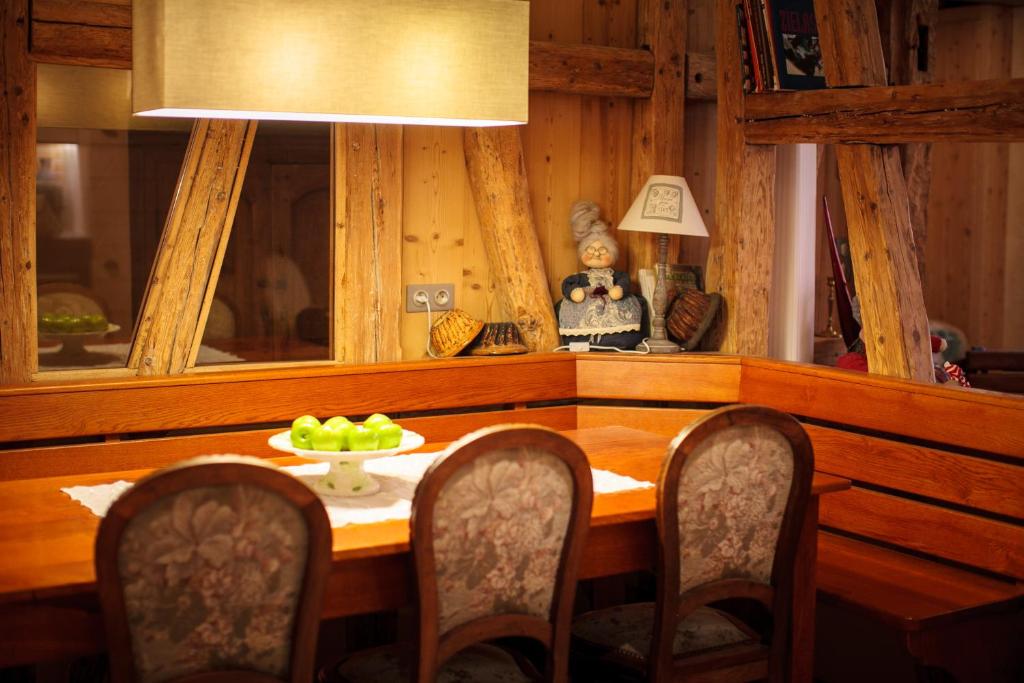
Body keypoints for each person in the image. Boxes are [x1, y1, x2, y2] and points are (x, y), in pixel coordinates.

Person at [556, 201, 646, 349]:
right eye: (590, 250)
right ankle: (582, 340)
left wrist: (619, 289)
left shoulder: (616, 275)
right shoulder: (581, 277)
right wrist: (574, 291)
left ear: (612, 253)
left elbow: (625, 281)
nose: (596, 254)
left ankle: (620, 340)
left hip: (614, 303)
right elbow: (568, 283)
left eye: (603, 251)